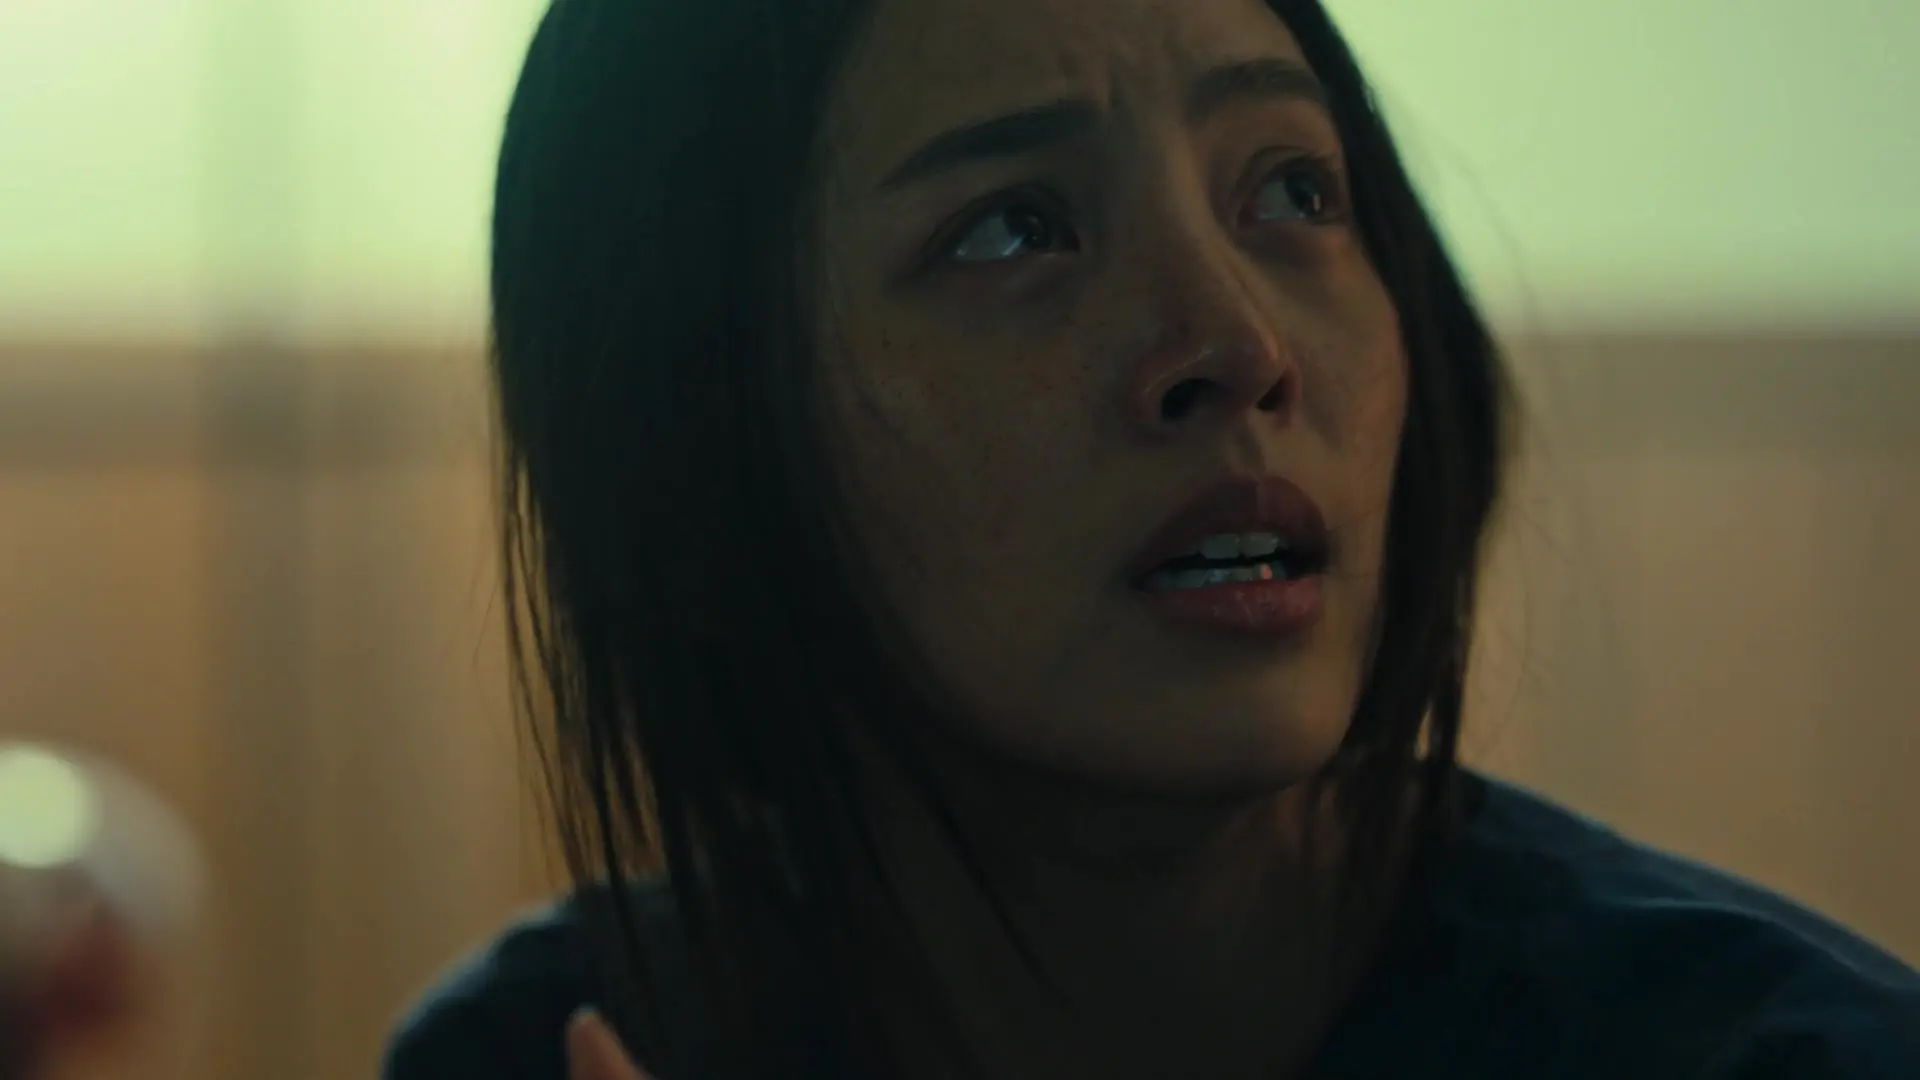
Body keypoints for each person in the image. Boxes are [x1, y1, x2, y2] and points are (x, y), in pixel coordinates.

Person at [383, 0, 1920, 1077]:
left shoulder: (1790, 1059)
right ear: (694, 434)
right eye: (1011, 229)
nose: (1237, 345)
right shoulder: (548, 1051)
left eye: (1292, 190)